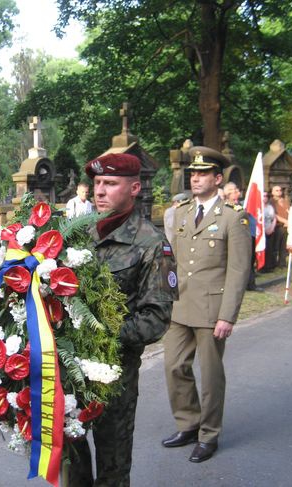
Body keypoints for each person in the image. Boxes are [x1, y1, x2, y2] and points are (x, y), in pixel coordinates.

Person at [68, 153, 177, 486]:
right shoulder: (80, 232)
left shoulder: (151, 243)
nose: (100, 191)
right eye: (98, 183)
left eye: (110, 184)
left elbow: (156, 318)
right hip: (68, 367)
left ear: (134, 188)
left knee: (112, 464)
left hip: (115, 373)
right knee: (70, 454)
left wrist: (101, 336)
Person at [162, 147, 251, 463]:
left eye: (201, 174)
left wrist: (228, 315)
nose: (195, 178)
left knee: (211, 375)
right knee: (173, 366)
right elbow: (171, 259)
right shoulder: (182, 212)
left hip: (212, 311)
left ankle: (209, 434)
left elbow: (239, 270)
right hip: (180, 305)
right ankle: (188, 423)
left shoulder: (232, 217)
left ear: (217, 178)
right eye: (192, 173)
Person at [270, 185, 290, 268]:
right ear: (272, 192)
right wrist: (285, 221)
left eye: (280, 190)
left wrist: (290, 221)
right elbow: (274, 215)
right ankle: (273, 263)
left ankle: (282, 263)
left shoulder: (285, 201)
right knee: (275, 246)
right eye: (276, 190)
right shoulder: (271, 202)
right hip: (276, 227)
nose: (279, 192)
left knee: (283, 246)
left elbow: (289, 211)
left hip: (286, 227)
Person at [262, 191, 277, 271]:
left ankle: (270, 266)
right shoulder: (258, 207)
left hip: (270, 229)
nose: (265, 198)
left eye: (266, 196)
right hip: (261, 231)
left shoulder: (270, 207)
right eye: (263, 196)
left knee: (270, 248)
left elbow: (274, 218)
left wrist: (272, 228)